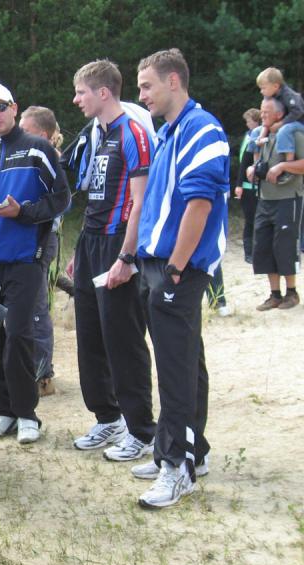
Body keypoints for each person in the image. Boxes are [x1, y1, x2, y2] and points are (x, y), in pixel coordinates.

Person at [131, 49, 229, 508]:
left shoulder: (201, 128)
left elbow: (200, 204)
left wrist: (174, 267)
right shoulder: (168, 132)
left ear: (174, 81)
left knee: (175, 369)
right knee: (185, 360)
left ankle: (178, 466)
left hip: (179, 267)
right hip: (160, 264)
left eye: (147, 85)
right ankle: (191, 450)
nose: (141, 95)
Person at [0, 83, 71, 444]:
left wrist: (22, 212)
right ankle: (5, 412)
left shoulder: (39, 149)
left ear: (14, 107)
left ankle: (28, 414)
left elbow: (62, 199)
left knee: (20, 336)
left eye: (1, 107)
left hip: (26, 258)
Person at [66, 60, 156, 462]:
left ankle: (142, 430)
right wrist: (79, 250)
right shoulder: (98, 134)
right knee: (90, 336)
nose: (76, 100)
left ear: (103, 92)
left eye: (81, 92)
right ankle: (108, 417)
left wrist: (127, 256)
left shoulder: (132, 132)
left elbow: (140, 201)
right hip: (91, 242)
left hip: (118, 243)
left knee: (123, 339)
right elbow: (95, 195)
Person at [19, 105, 74, 396]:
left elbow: (58, 204)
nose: (19, 134)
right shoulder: (29, 156)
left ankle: (43, 376)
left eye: (24, 130)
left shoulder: (50, 160)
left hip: (42, 238)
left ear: (42, 134)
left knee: (37, 306)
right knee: (27, 306)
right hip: (27, 238)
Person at [248, 97, 304, 311]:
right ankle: (275, 295)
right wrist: (253, 169)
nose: (262, 115)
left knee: (285, 246)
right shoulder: (261, 136)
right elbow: (258, 162)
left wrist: (282, 167)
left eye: (266, 112)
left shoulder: (294, 134)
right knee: (264, 246)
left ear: (279, 114)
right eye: (261, 111)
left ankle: (292, 292)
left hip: (288, 198)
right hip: (265, 199)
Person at [255, 67, 304, 183]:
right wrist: (261, 136)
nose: (261, 91)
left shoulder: (288, 95)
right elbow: (266, 122)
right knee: (256, 131)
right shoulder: (270, 95)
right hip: (288, 122)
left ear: (276, 86)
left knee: (284, 130)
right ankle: (257, 165)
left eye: (263, 88)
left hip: (299, 122)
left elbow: (298, 112)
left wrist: (280, 124)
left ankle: (289, 164)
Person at [235, 108, 262, 263]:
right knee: (250, 220)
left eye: (249, 121)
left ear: (256, 121)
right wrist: (239, 184)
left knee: (258, 220)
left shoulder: (257, 135)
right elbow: (243, 162)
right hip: (247, 185)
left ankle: (257, 251)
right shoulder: (249, 136)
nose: (247, 124)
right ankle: (249, 253)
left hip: (256, 185)